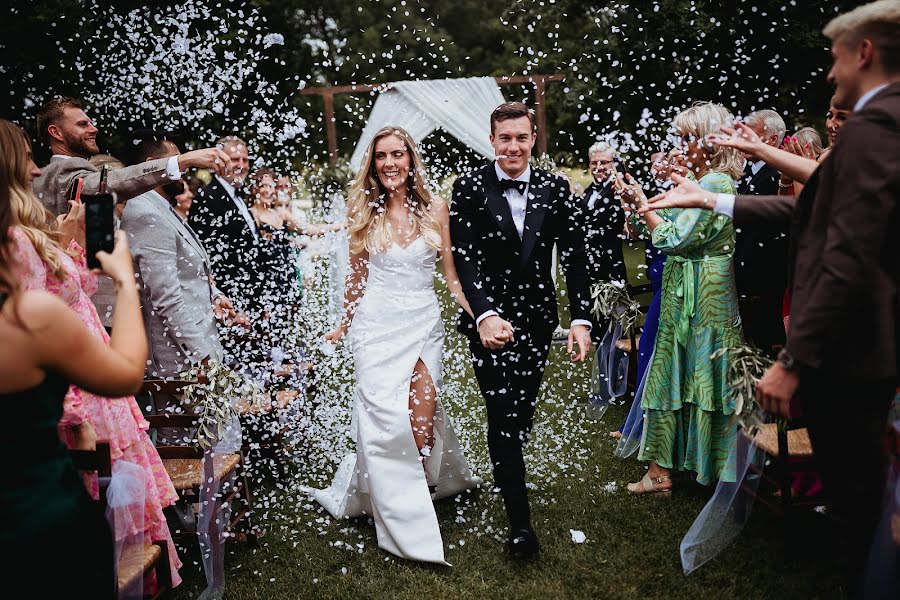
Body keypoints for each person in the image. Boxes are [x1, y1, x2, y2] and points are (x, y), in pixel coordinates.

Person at [641, 0, 899, 582]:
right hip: (867, 348)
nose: (831, 74)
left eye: (836, 57)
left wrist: (793, 361)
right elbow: (809, 199)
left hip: (856, 351)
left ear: (864, 52)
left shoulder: (879, 128)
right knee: (862, 499)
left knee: (859, 509)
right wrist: (714, 199)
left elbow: (846, 256)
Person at [3, 120, 183, 590]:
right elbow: (121, 370)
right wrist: (122, 279)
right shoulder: (17, 249)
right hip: (43, 500)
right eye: (26, 157)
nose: (38, 167)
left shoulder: (25, 239)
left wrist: (64, 245)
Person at [304, 126, 481, 565]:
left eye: (397, 154)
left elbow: (452, 276)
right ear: (373, 163)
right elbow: (357, 277)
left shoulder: (437, 208)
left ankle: (412, 494)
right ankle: (400, 511)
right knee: (385, 419)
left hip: (423, 325)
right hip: (375, 328)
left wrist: (480, 313)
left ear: (410, 158)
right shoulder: (364, 209)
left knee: (419, 422)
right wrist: (343, 325)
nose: (390, 164)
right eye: (381, 156)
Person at [450, 102, 592, 559]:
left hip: (536, 319)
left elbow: (574, 257)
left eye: (521, 137)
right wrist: (484, 313)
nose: (513, 146)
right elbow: (464, 257)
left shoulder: (555, 188)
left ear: (534, 139)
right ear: (491, 140)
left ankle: (507, 467)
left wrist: (581, 319)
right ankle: (521, 527)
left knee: (522, 411)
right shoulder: (469, 187)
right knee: (501, 414)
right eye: (504, 138)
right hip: (486, 322)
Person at [622, 101, 744, 495]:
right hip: (692, 287)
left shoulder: (714, 184)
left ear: (709, 143)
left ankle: (668, 473)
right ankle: (677, 468)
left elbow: (676, 239)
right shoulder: (706, 180)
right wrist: (643, 203)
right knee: (683, 373)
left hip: (702, 294)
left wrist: (643, 207)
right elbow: (671, 225)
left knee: (688, 374)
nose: (681, 143)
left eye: (689, 137)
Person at [120, 137, 234, 381]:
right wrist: (203, 356)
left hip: (200, 345)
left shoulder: (161, 207)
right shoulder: (146, 213)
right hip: (183, 362)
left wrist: (213, 296)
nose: (183, 170)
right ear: (153, 164)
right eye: (177, 161)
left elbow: (184, 273)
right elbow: (165, 297)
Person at [31, 97, 230, 218]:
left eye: (91, 123)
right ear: (56, 133)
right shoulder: (63, 171)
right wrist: (181, 161)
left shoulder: (49, 175)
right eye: (82, 124)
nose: (94, 129)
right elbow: (106, 184)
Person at [734, 109, 789, 357]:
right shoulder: (746, 174)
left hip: (766, 277)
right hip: (745, 273)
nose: (743, 138)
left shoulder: (779, 176)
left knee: (767, 343)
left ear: (774, 139)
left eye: (751, 134)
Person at [190, 135, 258, 312]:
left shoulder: (239, 198)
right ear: (218, 161)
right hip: (229, 303)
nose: (242, 166)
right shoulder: (208, 197)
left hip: (250, 298)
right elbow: (206, 256)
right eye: (235, 160)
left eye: (245, 160)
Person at [579, 141, 627, 341]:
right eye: (593, 163)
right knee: (597, 325)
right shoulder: (590, 190)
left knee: (614, 326)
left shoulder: (619, 190)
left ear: (614, 164)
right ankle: (604, 370)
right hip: (589, 266)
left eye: (604, 163)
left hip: (609, 265)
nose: (598, 167)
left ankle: (618, 371)